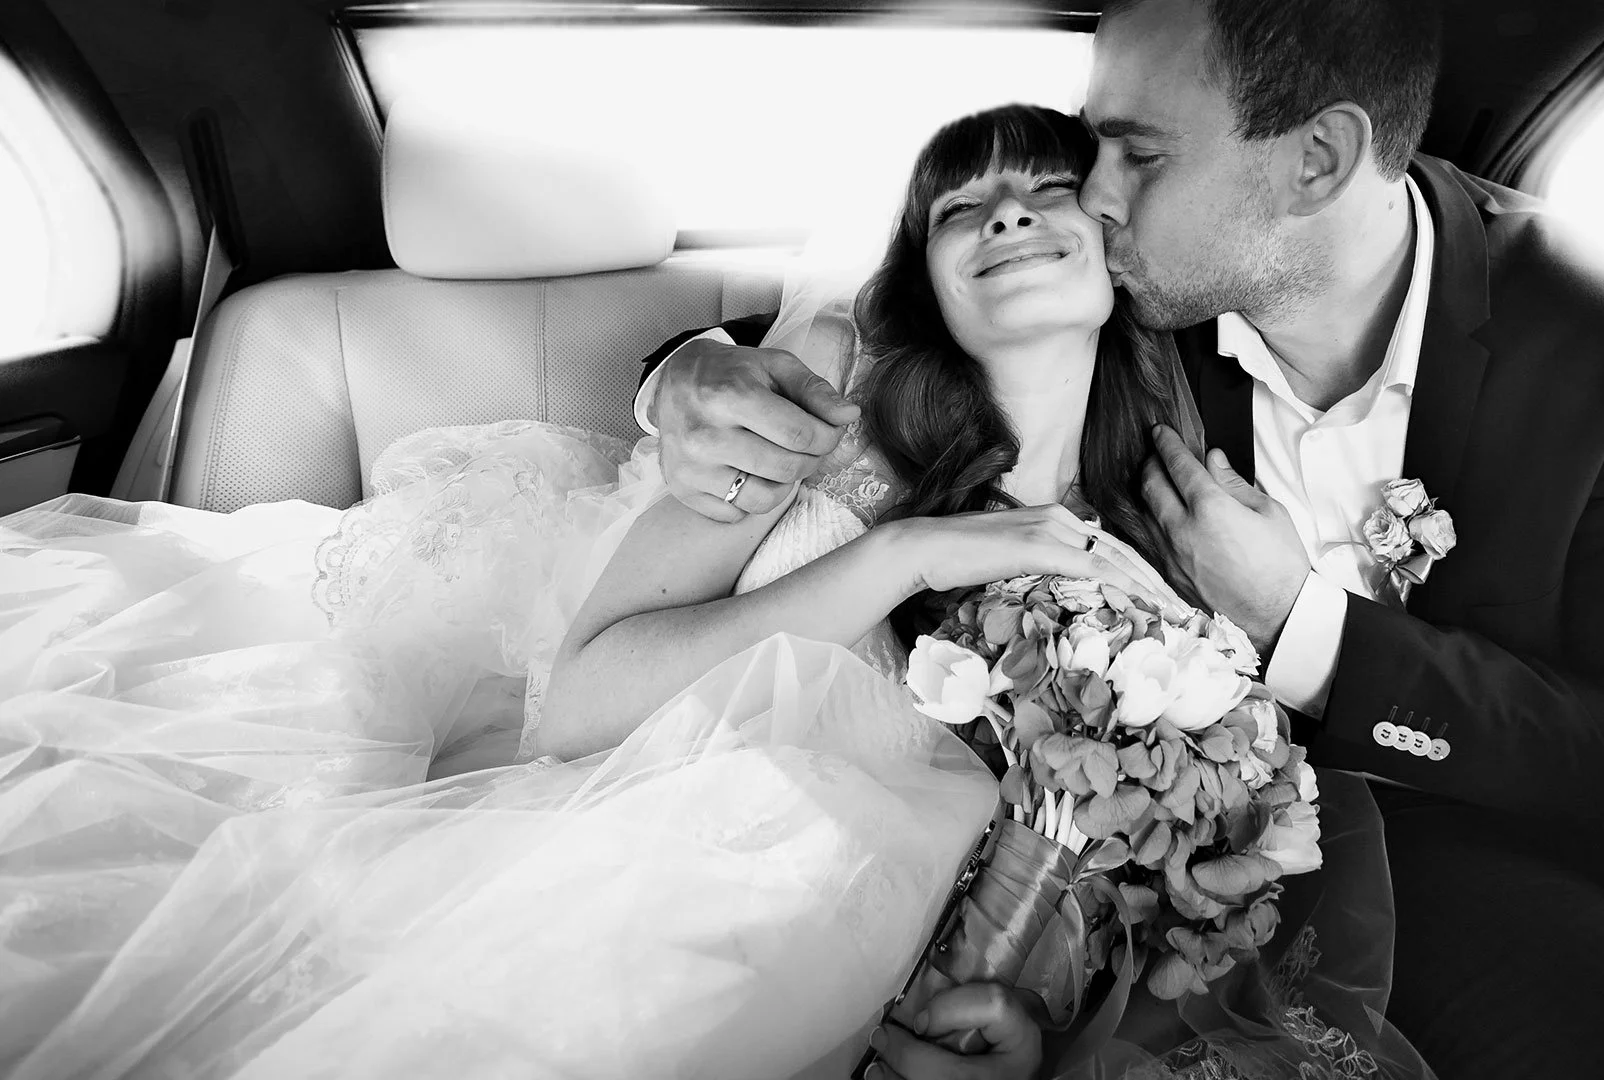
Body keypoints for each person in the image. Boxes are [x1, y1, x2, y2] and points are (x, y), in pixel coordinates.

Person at [0, 104, 1423, 1080]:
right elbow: (574, 710)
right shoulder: (794, 430)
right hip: (646, 861)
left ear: (1121, 256)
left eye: (1051, 193)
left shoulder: (1183, 532)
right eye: (964, 207)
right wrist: (909, 558)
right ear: (919, 275)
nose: (1012, 220)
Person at [632, 1, 1604, 1077]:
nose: (1094, 197)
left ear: (1317, 159)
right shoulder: (1122, 301)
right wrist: (681, 376)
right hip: (1170, 884)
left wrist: (1310, 633)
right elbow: (850, 352)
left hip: (1517, 858)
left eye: (1136, 154)